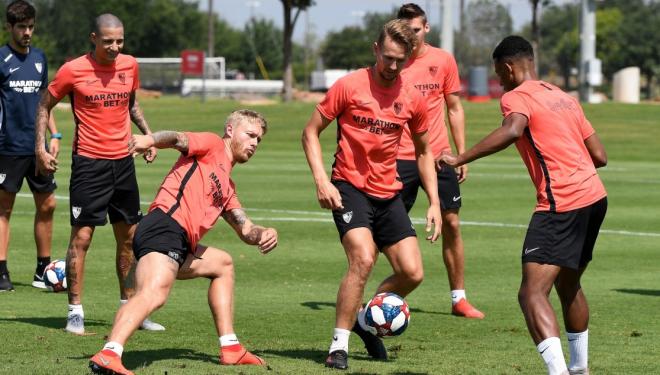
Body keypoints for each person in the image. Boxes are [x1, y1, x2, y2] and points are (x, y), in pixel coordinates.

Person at [438, 36, 607, 375]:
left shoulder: (516, 97)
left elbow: (513, 130)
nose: (499, 80)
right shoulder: (563, 97)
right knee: (568, 284)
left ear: (509, 67)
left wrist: (460, 157)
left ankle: (559, 373)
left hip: (562, 201)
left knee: (531, 293)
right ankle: (580, 369)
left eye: (499, 73)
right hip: (594, 197)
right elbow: (600, 156)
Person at [88, 109, 278, 374]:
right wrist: (150, 139)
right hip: (164, 227)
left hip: (180, 241)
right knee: (154, 293)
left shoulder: (227, 187)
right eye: (250, 135)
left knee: (222, 264)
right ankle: (110, 353)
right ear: (231, 130)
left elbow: (245, 230)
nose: (255, 143)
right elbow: (178, 138)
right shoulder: (212, 145)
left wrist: (264, 233)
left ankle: (231, 347)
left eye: (259, 139)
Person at [302, 19, 442, 370]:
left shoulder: (412, 98)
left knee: (412, 273)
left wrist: (435, 203)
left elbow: (425, 152)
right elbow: (310, 132)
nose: (393, 66)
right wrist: (322, 180)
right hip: (348, 187)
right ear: (376, 49)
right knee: (363, 258)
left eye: (401, 60)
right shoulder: (349, 86)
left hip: (388, 192)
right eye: (388, 57)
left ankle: (366, 318)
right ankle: (339, 345)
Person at [34, 13, 163, 333]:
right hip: (89, 165)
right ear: (94, 38)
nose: (115, 47)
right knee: (82, 237)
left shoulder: (130, 65)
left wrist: (148, 135)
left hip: (124, 163)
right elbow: (44, 105)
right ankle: (75, 310)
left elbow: (131, 105)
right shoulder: (73, 70)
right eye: (108, 42)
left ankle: (132, 309)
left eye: (120, 41)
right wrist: (40, 148)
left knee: (131, 238)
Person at [396, 3, 484, 319]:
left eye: (416, 30)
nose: (411, 37)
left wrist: (461, 154)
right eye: (405, 31)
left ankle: (459, 299)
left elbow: (455, 108)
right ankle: (390, 293)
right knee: (390, 229)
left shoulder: (443, 60)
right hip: (400, 158)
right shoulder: (393, 62)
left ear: (427, 28)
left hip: (439, 156)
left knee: (453, 223)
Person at [0, 0, 60, 292]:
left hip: (38, 147)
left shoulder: (40, 58)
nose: (27, 32)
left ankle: (42, 270)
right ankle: (1, 271)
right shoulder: (0, 59)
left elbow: (45, 102)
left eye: (31, 27)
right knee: (4, 209)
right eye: (22, 27)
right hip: (7, 147)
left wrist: (55, 137)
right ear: (9, 27)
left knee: (47, 204)